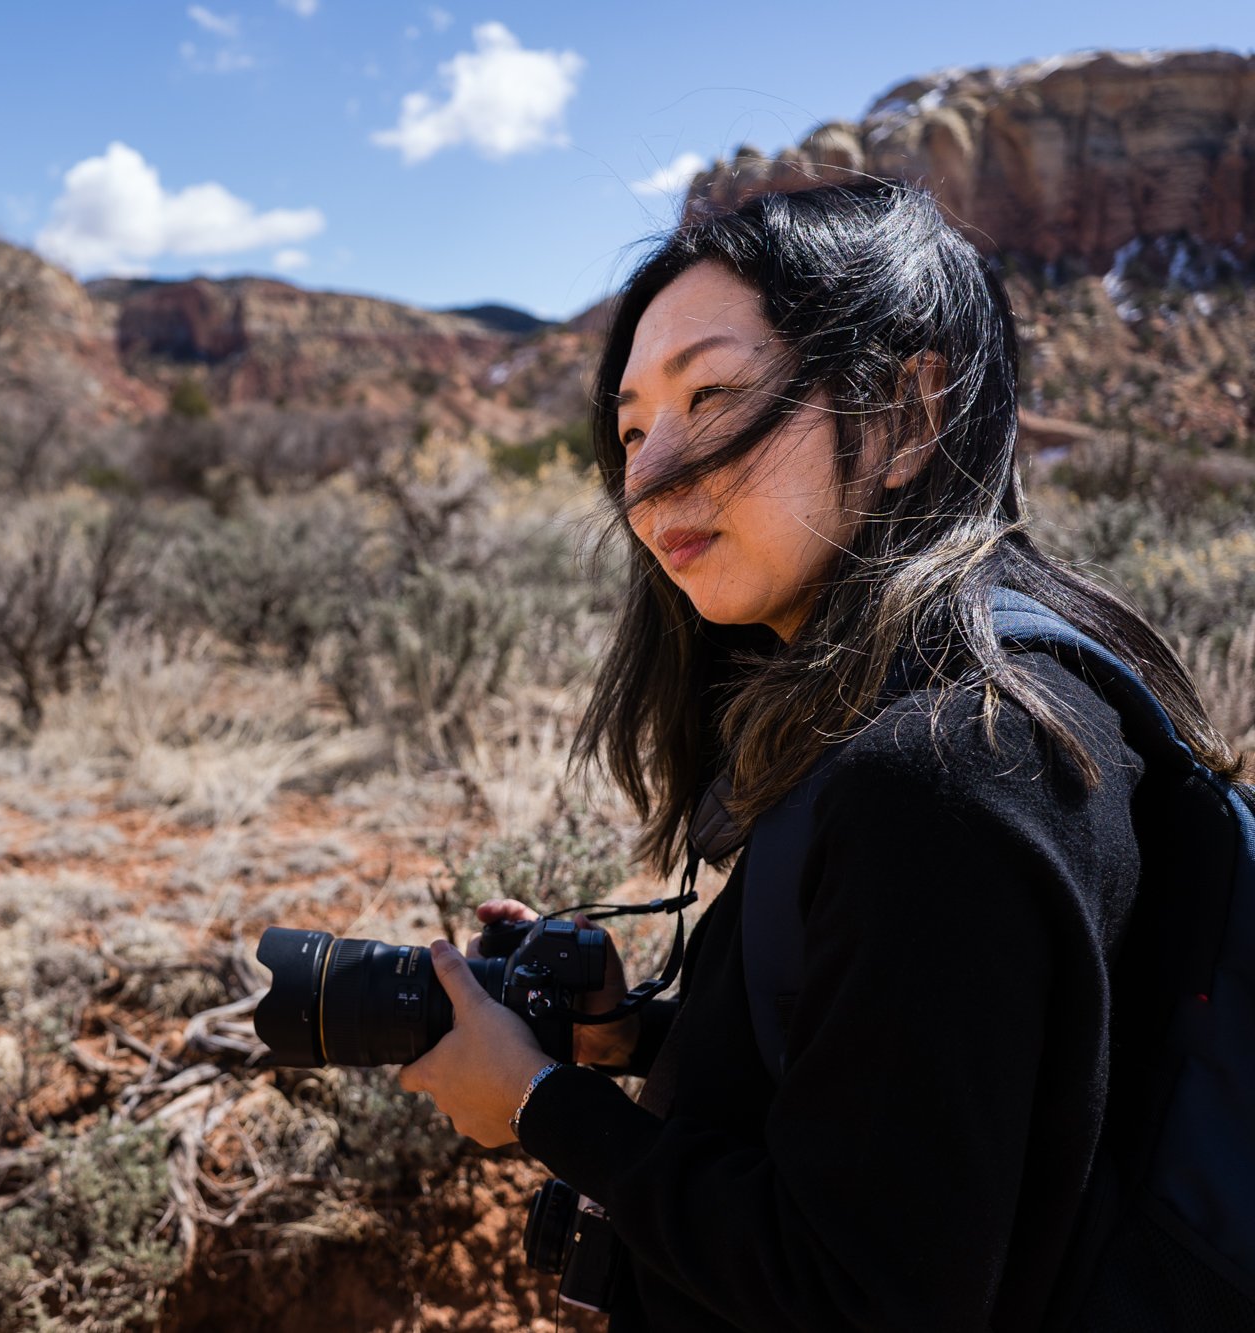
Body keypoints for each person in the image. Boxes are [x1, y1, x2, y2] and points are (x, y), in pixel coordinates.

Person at [395, 180, 1246, 1331]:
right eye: (633, 428)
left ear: (902, 415)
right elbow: (948, 1084)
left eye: (711, 398)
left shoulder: (946, 768)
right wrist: (631, 1032)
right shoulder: (984, 697)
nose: (647, 482)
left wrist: (543, 1103)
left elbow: (862, 1291)